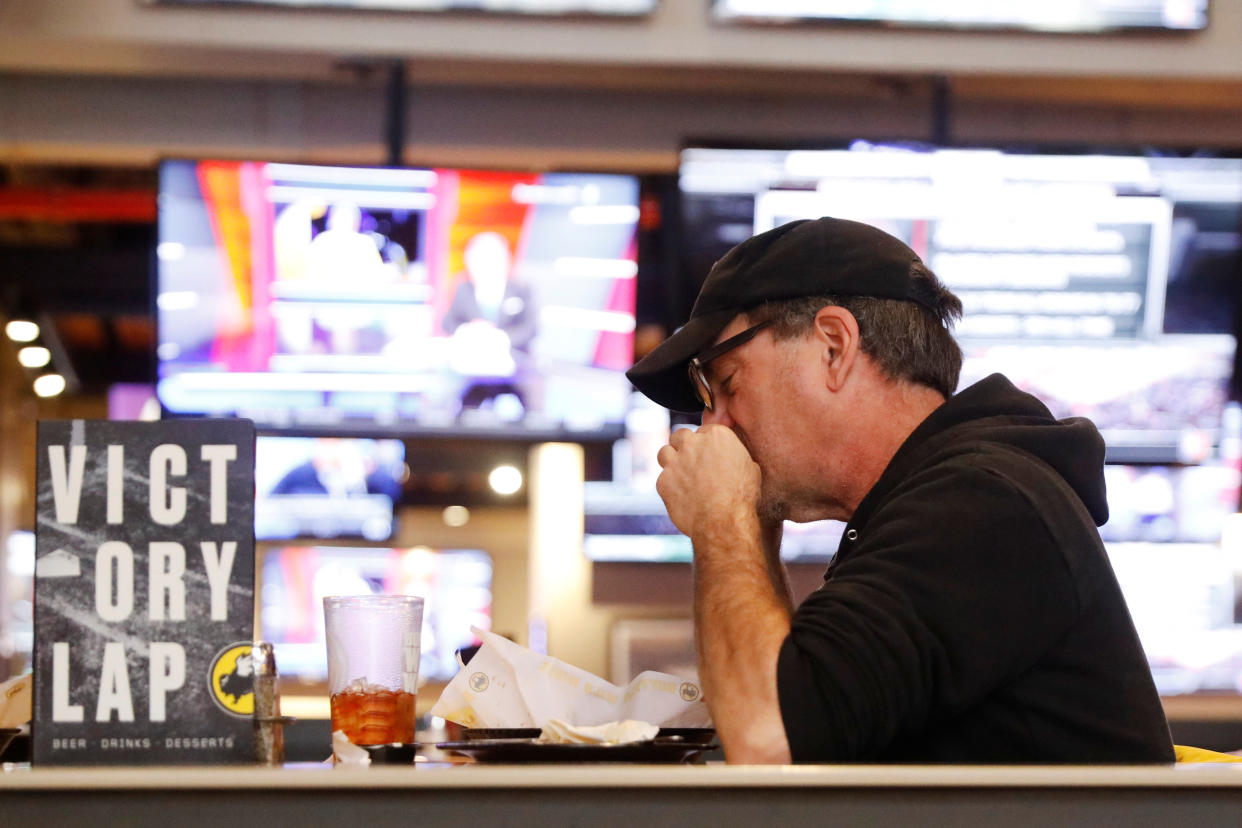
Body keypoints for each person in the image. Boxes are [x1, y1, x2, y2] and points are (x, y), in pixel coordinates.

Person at [626, 217, 1174, 765]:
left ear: (834, 347)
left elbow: (770, 736)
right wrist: (752, 522)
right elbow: (808, 729)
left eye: (726, 384)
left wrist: (723, 518)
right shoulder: (933, 498)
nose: (714, 427)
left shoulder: (984, 503)